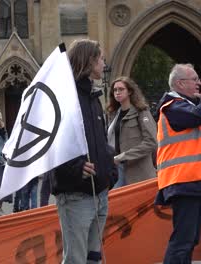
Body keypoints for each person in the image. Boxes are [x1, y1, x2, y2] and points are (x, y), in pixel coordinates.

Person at [51, 39, 117, 264]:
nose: (103, 63)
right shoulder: (65, 98)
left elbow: (99, 141)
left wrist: (110, 168)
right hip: (76, 195)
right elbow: (53, 144)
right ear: (89, 61)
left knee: (94, 258)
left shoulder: (93, 98)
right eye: (100, 58)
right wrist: (75, 168)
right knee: (76, 260)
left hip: (99, 192)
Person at [154, 64, 201, 263]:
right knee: (183, 239)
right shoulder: (173, 105)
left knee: (189, 239)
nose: (200, 83)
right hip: (183, 180)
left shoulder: (182, 105)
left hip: (191, 181)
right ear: (181, 83)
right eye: (195, 79)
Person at [106, 76, 157, 187]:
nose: (117, 92)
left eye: (121, 89)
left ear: (129, 91)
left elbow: (151, 142)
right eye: (115, 90)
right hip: (117, 168)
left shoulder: (141, 112)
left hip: (138, 171)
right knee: (115, 202)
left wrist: (124, 156)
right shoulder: (114, 115)